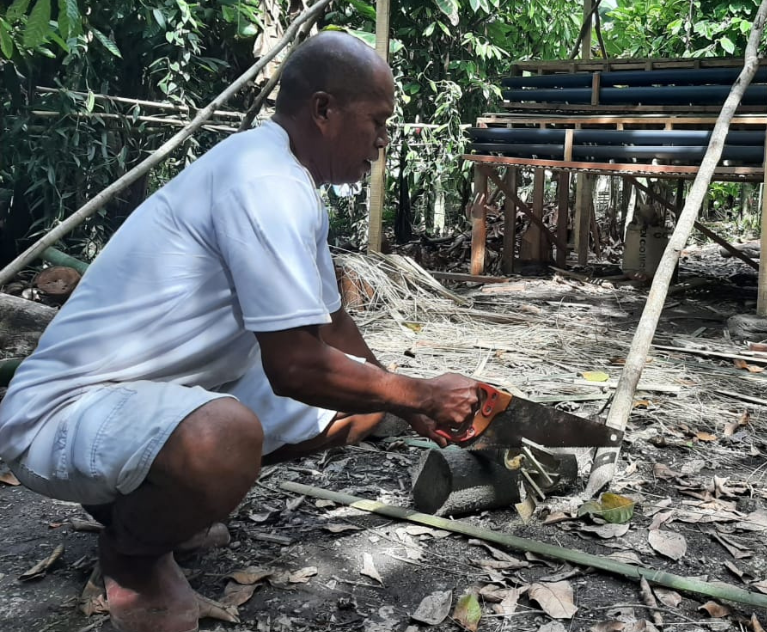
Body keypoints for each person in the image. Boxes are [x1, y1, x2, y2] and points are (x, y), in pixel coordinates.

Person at [0, 31, 480, 632]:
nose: (383, 140)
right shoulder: (265, 182)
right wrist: (422, 394)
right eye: (377, 120)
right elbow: (295, 367)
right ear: (324, 110)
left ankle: (138, 502)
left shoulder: (285, 177)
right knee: (224, 437)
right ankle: (130, 557)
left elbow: (331, 325)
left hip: (137, 400)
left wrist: (403, 401)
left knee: (359, 410)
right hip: (59, 416)